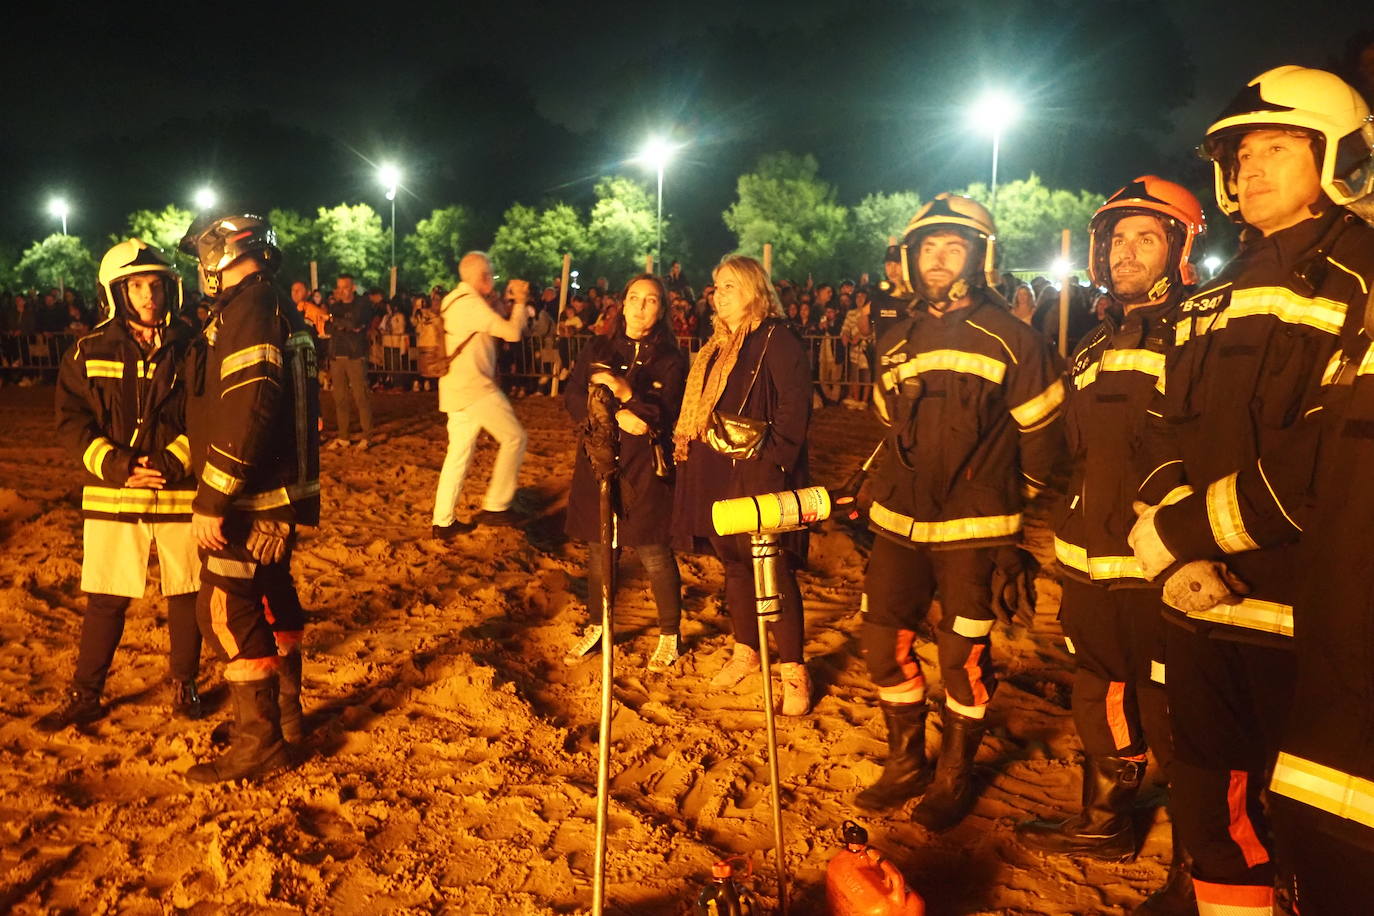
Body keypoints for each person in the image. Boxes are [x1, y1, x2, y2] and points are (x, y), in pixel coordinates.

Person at [1128, 67, 1374, 916]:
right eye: (1240, 154)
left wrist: (1187, 535)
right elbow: (1162, 425)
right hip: (1196, 603)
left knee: (1312, 834)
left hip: (1301, 620)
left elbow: (1333, 459)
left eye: (1277, 147)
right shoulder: (1216, 291)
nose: (1250, 168)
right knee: (1208, 803)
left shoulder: (1363, 276)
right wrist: (1166, 548)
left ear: (1339, 154)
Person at [1015, 177, 1206, 912]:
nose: (1126, 252)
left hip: (1165, 569)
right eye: (1117, 238)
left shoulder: (1200, 333)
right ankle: (1105, 822)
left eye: (1146, 238)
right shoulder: (1093, 340)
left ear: (1180, 249)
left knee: (1179, 712)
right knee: (1099, 694)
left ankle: (1199, 867)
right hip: (1090, 561)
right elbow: (1069, 447)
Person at [855, 195, 1067, 831]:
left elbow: (1044, 440)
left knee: (961, 656)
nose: (939, 259)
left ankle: (953, 773)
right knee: (880, 642)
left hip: (975, 530)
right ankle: (907, 762)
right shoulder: (894, 340)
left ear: (981, 257)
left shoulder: (1018, 341)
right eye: (928, 248)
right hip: (900, 522)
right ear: (911, 258)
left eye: (954, 247)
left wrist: (1010, 507)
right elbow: (890, 426)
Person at [37, 239, 204, 731]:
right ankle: (85, 695)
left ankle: (185, 684)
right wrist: (117, 465)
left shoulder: (193, 348)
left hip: (177, 488)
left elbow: (207, 415)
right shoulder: (87, 352)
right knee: (107, 597)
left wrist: (174, 462)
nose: (149, 294)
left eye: (156, 284)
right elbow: (71, 423)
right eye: (137, 285)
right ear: (117, 292)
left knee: (185, 592)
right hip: (115, 492)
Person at [178, 210, 321, 782]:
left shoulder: (249, 309)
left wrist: (214, 495)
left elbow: (249, 404)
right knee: (270, 599)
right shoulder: (276, 304)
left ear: (221, 255)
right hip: (279, 496)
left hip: (251, 497)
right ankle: (285, 719)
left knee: (227, 613)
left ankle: (259, 742)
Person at [670, 255, 813, 715]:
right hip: (714, 466)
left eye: (729, 285)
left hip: (760, 469)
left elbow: (795, 409)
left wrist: (774, 465)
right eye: (716, 285)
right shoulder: (716, 345)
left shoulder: (777, 338)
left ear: (754, 289)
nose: (718, 293)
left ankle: (793, 670)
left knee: (773, 567)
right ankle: (746, 651)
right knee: (732, 564)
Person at [563, 274, 688, 671]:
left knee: (653, 549)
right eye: (634, 297)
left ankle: (670, 633)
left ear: (662, 309)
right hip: (598, 458)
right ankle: (599, 625)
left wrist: (629, 394)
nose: (640, 306)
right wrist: (615, 413)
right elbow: (572, 396)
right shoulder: (599, 346)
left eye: (651, 300)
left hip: (645, 465)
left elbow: (668, 409)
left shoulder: (670, 358)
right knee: (601, 548)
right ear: (622, 303)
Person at [429, 251, 530, 537]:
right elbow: (511, 333)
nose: (492, 278)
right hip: (475, 387)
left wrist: (503, 300)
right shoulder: (472, 305)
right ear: (480, 276)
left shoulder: (452, 300)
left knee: (458, 454)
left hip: (454, 387)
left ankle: (443, 521)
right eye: (490, 274)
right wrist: (520, 303)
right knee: (515, 437)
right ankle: (497, 504)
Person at [325, 274, 372, 447]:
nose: (342, 291)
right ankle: (343, 436)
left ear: (352, 287)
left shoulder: (362, 304)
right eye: (339, 287)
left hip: (355, 354)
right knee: (340, 398)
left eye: (345, 287)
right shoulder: (335, 306)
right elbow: (328, 327)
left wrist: (338, 323)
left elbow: (354, 322)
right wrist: (343, 325)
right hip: (337, 354)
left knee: (361, 396)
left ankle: (367, 435)